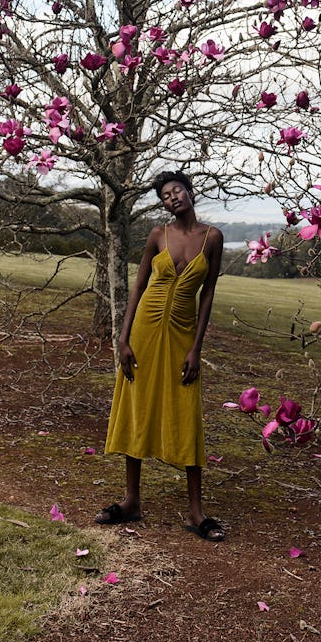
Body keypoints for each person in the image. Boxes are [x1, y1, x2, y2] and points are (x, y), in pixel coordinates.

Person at [95, 170, 225, 541]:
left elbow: (208, 294)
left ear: (190, 192)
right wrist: (123, 338)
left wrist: (196, 348)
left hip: (183, 335)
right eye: (165, 195)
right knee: (137, 407)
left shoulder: (212, 238)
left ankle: (196, 512)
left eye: (177, 191)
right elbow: (138, 287)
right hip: (145, 332)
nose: (172, 198)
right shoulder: (158, 235)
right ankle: (132, 500)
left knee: (186, 414)